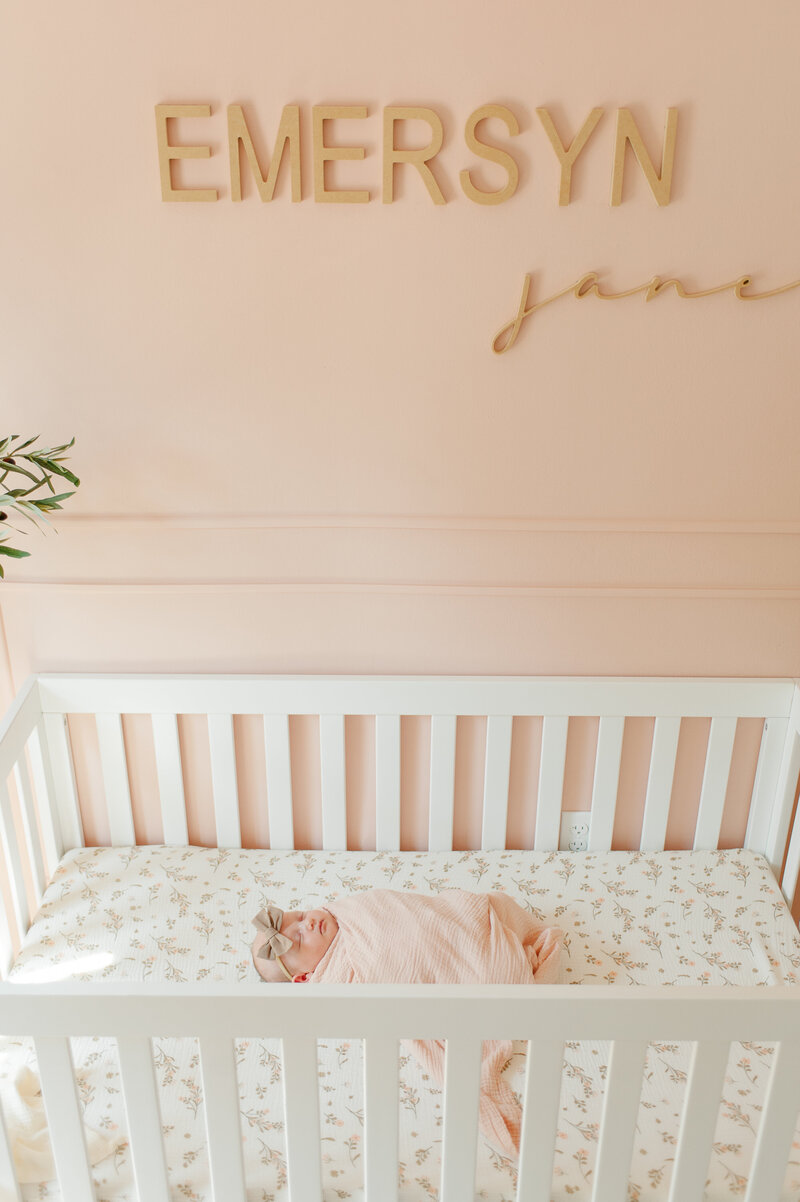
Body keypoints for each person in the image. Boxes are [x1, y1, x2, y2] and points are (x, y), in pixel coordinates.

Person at [250, 888, 563, 1159]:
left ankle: (481, 934)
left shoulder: (352, 911)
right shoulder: (336, 979)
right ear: (304, 977)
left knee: (476, 910)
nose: (308, 922)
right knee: (486, 968)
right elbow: (386, 977)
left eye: (301, 915)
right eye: (299, 937)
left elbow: (408, 911)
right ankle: (487, 960)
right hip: (456, 962)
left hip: (452, 923)